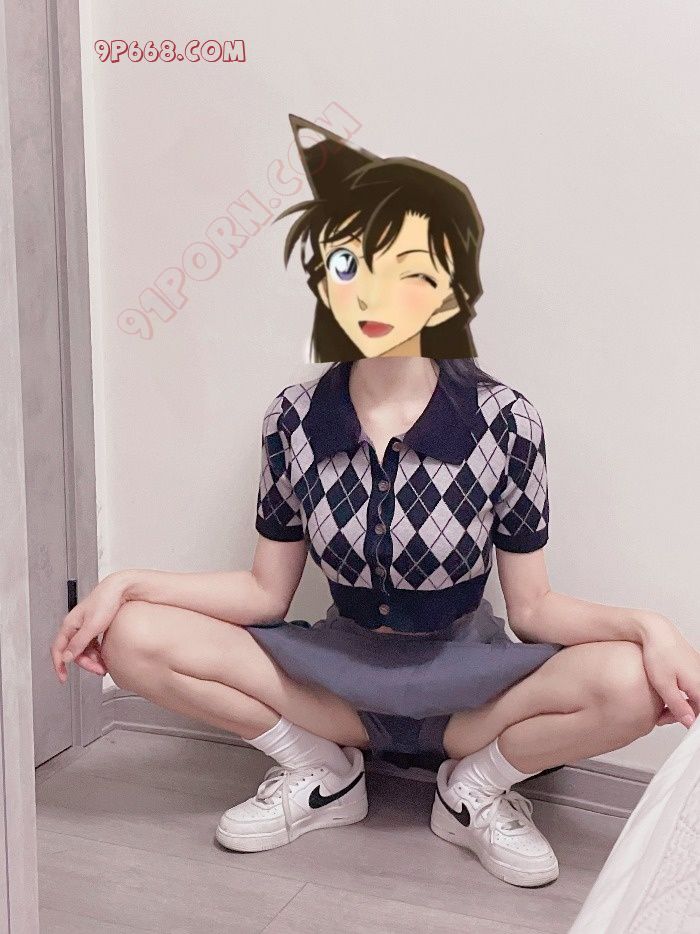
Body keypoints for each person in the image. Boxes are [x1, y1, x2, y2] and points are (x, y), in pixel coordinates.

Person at [51, 117, 699, 890]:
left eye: (410, 271)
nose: (374, 294)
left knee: (634, 681)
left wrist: (650, 628)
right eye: (351, 264)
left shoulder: (505, 421)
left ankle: (474, 789)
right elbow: (263, 593)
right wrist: (126, 583)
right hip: (340, 680)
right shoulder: (294, 418)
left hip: (468, 688)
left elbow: (534, 609)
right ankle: (323, 773)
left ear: (453, 288)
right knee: (131, 635)